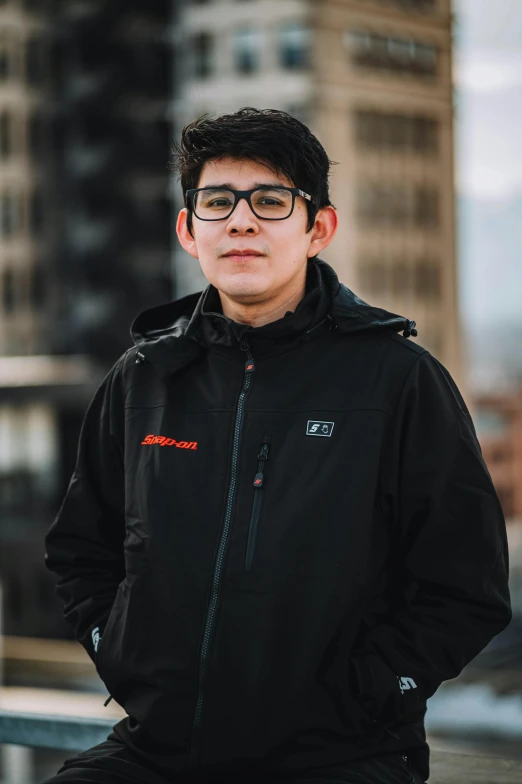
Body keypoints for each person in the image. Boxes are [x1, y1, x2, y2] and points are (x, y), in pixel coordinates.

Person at [44, 108, 511, 784]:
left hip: (342, 754)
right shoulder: (144, 378)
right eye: (216, 203)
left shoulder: (397, 380)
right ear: (187, 230)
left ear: (317, 228)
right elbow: (80, 548)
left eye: (270, 201)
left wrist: (371, 690)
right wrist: (116, 650)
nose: (240, 222)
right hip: (161, 748)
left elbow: (467, 587)